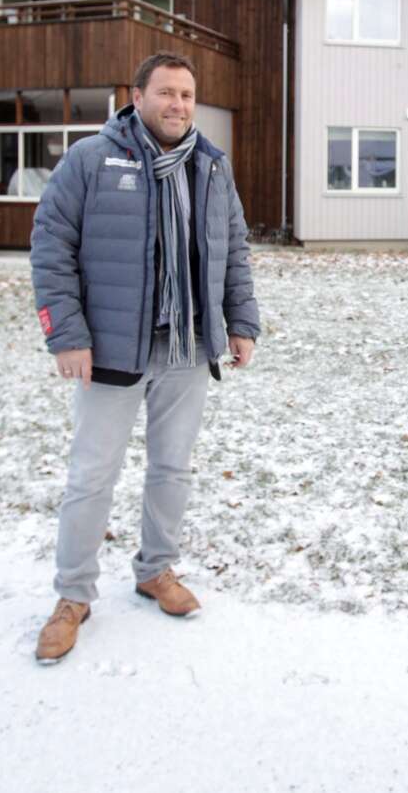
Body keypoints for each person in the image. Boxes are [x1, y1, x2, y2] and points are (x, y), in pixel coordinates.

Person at [30, 51, 260, 665]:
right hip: (111, 349)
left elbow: (233, 249)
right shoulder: (90, 159)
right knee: (92, 476)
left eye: (186, 94)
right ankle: (72, 596)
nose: (178, 105)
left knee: (172, 469)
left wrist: (240, 322)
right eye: (166, 93)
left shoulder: (211, 166)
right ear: (136, 97)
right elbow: (51, 245)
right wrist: (66, 335)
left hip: (186, 346)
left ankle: (156, 569)